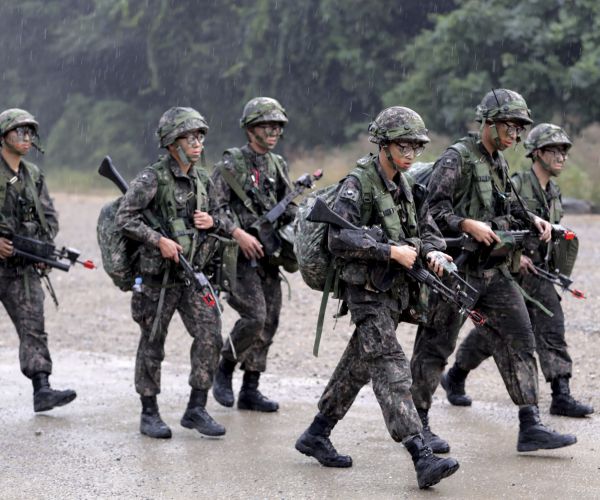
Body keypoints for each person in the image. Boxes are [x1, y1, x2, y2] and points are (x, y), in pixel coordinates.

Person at [295, 107, 459, 489]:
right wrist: (388, 252)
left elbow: (428, 228)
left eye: (416, 147)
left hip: (394, 293)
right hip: (366, 293)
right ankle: (421, 455)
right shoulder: (358, 184)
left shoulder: (406, 185)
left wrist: (433, 251)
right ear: (383, 145)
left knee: (358, 364)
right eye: (403, 145)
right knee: (390, 366)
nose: (410, 154)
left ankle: (317, 432)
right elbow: (338, 238)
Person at [410, 90, 578, 454]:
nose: (515, 135)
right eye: (510, 126)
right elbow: (428, 211)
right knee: (435, 346)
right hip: (454, 271)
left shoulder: (498, 162)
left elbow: (505, 206)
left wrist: (531, 218)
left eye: (519, 129)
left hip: (494, 271)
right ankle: (418, 425)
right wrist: (466, 223)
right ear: (488, 122)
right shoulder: (458, 158)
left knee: (520, 337)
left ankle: (530, 424)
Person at [443, 123, 594, 418]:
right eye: (555, 150)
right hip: (511, 270)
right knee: (493, 332)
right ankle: (455, 376)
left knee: (550, 323)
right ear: (537, 153)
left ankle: (560, 393)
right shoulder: (518, 183)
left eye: (565, 151)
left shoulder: (553, 191)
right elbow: (500, 221)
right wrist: (517, 254)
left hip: (538, 274)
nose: (562, 156)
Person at [115, 107, 227, 439]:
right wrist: (157, 239)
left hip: (192, 278)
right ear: (171, 142)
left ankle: (196, 408)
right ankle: (149, 413)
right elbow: (125, 217)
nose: (198, 143)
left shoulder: (203, 178)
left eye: (200, 136)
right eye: (189, 137)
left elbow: (221, 216)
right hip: (157, 280)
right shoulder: (152, 179)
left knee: (211, 336)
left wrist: (213, 221)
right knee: (152, 343)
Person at [211, 97, 296, 412]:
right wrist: (238, 233)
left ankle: (250, 388)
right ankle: (224, 367)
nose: (274, 131)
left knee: (270, 321)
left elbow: (289, 203)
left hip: (269, 256)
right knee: (254, 317)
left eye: (277, 126)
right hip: (237, 258)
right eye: (267, 125)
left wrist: (293, 230)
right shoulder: (231, 165)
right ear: (250, 129)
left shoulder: (277, 164)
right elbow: (212, 208)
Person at [0, 108, 77, 412]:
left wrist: (43, 250)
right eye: (19, 132)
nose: (26, 138)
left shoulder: (33, 175)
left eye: (30, 132)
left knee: (34, 326)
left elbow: (49, 218)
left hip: (22, 265)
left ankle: (42, 389)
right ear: (4, 136)